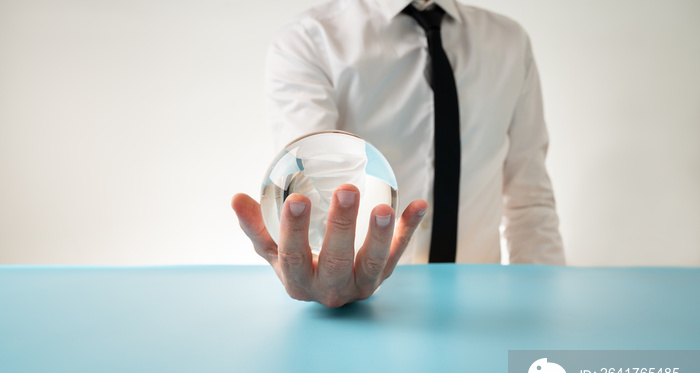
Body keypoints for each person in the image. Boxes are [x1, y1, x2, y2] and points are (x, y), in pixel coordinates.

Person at [232, 0, 565, 307]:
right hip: (368, 309)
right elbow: (306, 187)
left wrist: (544, 307)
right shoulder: (310, 39)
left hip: (482, 308)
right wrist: (319, 270)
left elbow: (530, 203)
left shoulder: (510, 43)